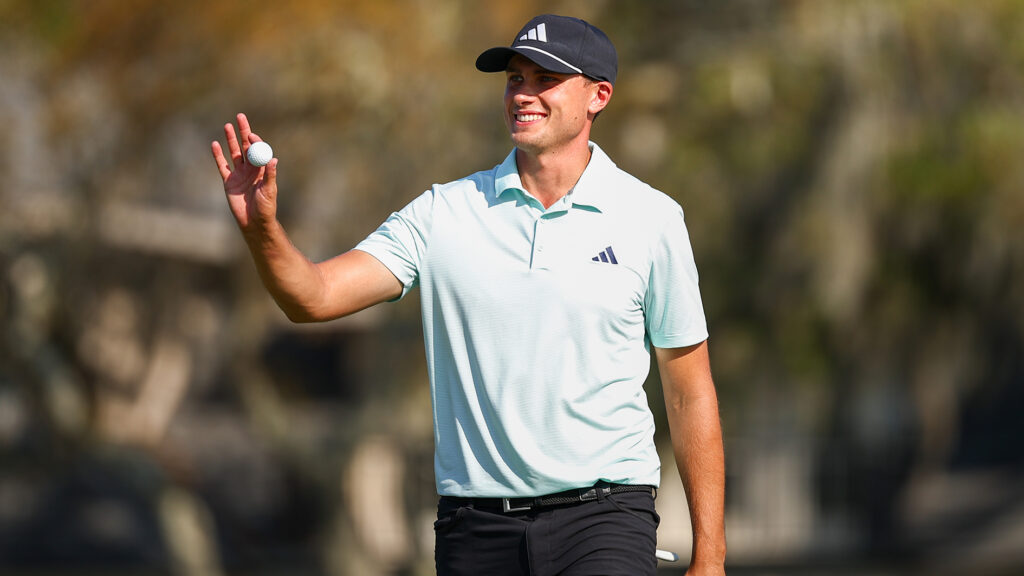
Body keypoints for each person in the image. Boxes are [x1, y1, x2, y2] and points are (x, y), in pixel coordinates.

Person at [212, 14, 726, 576]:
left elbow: (688, 392)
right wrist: (261, 228)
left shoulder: (651, 219)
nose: (523, 94)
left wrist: (711, 556)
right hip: (475, 528)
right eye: (514, 78)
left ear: (597, 96)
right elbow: (311, 297)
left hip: (604, 520)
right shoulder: (442, 214)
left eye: (544, 79)